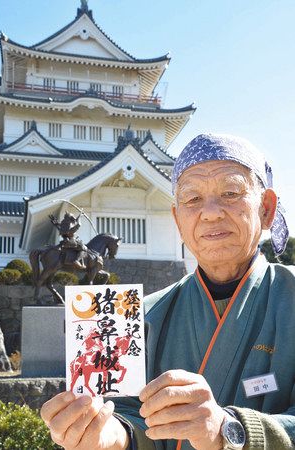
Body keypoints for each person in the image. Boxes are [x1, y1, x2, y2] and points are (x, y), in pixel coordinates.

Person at [41, 134, 295, 450]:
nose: (211, 213)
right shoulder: (139, 314)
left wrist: (227, 430)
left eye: (230, 192)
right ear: (177, 218)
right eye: (192, 199)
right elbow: (126, 414)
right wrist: (108, 435)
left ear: (267, 209)